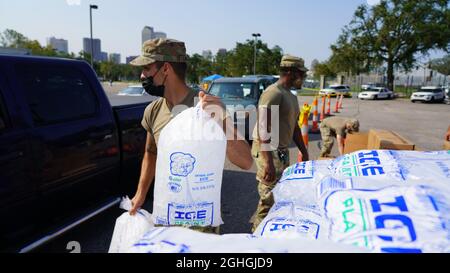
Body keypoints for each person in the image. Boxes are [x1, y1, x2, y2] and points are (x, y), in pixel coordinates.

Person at [128, 38, 253, 234]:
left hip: (200, 225)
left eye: (147, 68)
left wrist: (221, 119)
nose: (142, 75)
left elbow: (245, 161)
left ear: (166, 69)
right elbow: (151, 153)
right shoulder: (153, 111)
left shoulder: (205, 106)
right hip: (165, 218)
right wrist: (140, 194)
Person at [250, 54, 309, 232]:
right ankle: (255, 236)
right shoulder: (273, 93)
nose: (304, 77)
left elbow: (295, 126)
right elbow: (263, 127)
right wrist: (267, 161)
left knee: (280, 195)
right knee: (269, 197)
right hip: (269, 151)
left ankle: (268, 232)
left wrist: (304, 151)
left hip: (281, 151)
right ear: (290, 72)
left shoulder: (290, 95)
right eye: (301, 73)